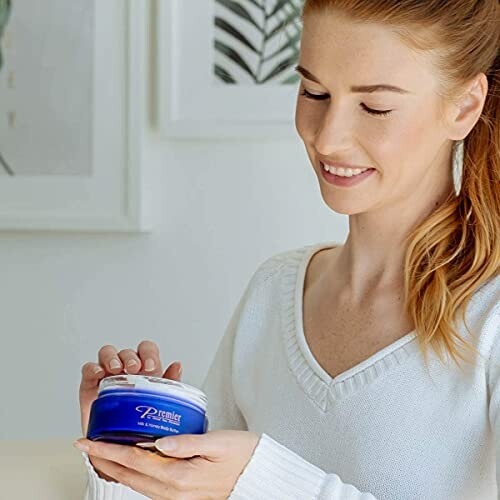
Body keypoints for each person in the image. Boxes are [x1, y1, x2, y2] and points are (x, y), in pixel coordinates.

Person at [75, 0, 500, 498]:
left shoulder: (489, 316)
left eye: (375, 106)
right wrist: (124, 462)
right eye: (314, 91)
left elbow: (250, 485)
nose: (327, 136)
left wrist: (259, 480)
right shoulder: (275, 291)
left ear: (465, 106)